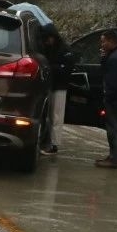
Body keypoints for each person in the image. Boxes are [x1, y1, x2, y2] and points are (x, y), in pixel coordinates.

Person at [96, 31, 117, 169]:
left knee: (114, 130)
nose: (102, 45)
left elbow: (113, 83)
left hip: (116, 101)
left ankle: (115, 159)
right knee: (116, 129)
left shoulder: (116, 59)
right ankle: (113, 155)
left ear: (111, 41)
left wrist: (107, 96)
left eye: (104, 42)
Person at [40, 25, 75, 155]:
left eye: (47, 39)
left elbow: (67, 68)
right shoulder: (50, 49)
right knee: (50, 116)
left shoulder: (64, 50)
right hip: (51, 86)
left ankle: (54, 144)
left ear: (52, 37)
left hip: (59, 86)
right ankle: (48, 141)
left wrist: (51, 67)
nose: (46, 42)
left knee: (56, 116)